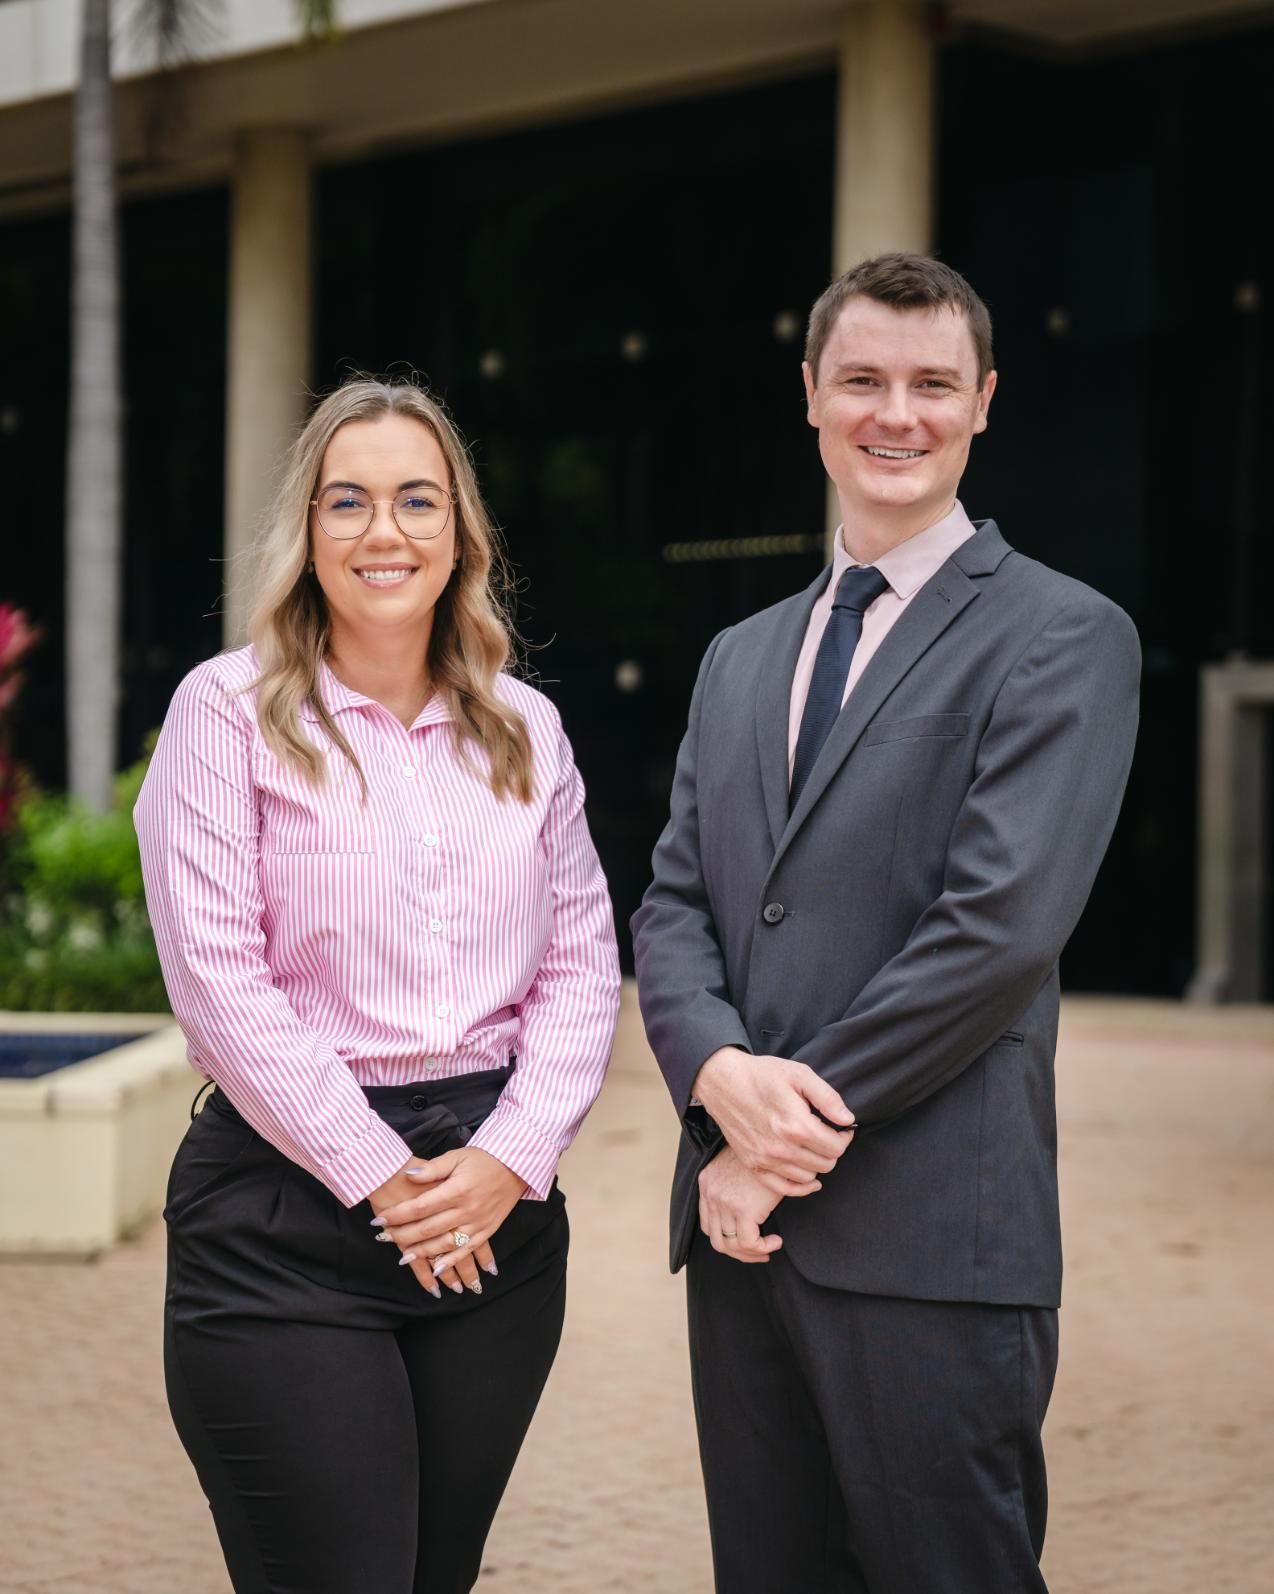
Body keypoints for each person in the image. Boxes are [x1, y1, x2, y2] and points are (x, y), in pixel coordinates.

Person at [631, 252, 1140, 1593]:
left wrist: (774, 1141)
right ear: (810, 396)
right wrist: (715, 1079)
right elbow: (676, 898)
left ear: (982, 402)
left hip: (929, 1247)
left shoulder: (1060, 636)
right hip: (740, 1251)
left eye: (930, 383)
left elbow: (997, 931)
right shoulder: (738, 654)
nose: (894, 413)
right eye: (862, 379)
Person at [135, 377, 621, 1594]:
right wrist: (380, 1177)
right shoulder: (226, 711)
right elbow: (216, 983)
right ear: (306, 531)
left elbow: (580, 966)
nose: (382, 531)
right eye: (346, 501)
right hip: (285, 1213)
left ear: (460, 532)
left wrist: (512, 1160)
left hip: (492, 1212)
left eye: (416, 499)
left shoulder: (526, 729)